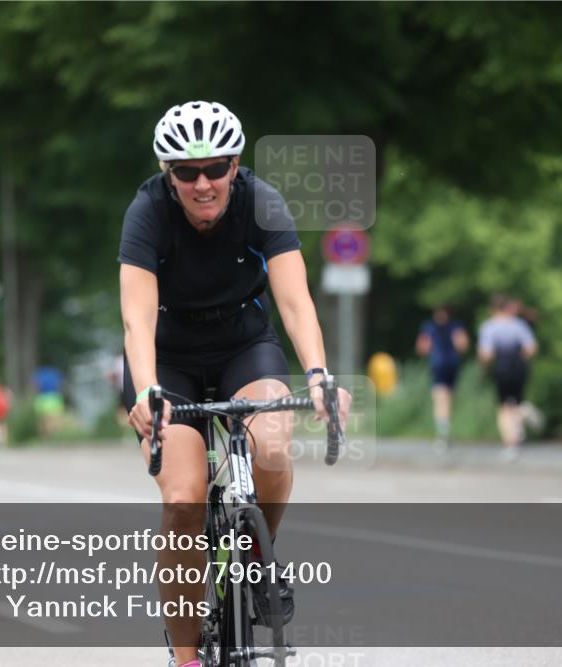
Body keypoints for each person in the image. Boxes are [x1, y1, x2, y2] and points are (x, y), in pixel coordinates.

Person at [119, 100, 350, 667]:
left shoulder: (262, 202)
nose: (203, 184)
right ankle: (186, 657)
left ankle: (254, 553)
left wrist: (318, 374)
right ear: (166, 174)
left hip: (244, 346)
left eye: (216, 169)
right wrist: (147, 388)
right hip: (167, 360)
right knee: (182, 499)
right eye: (186, 173)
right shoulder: (147, 211)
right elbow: (137, 318)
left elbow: (294, 301)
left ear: (235, 164)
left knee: (271, 447)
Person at [478, 295, 537, 461]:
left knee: (503, 407)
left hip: (501, 368)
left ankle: (510, 443)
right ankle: (522, 421)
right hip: (519, 367)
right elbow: (531, 349)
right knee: (516, 403)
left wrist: (484, 367)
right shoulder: (519, 325)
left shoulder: (489, 327)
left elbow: (486, 354)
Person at [415, 304, 469, 446]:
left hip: (438, 364)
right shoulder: (455, 326)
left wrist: (431, 351)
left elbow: (422, 347)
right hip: (452, 364)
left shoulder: (430, 327)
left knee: (440, 398)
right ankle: (445, 430)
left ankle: (442, 432)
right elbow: (463, 344)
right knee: (449, 398)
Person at [32, 365, 64, 436]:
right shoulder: (55, 373)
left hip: (42, 397)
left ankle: (45, 434)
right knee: (55, 417)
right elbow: (59, 385)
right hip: (54, 396)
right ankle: (54, 433)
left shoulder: (38, 374)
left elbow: (37, 386)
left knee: (43, 418)